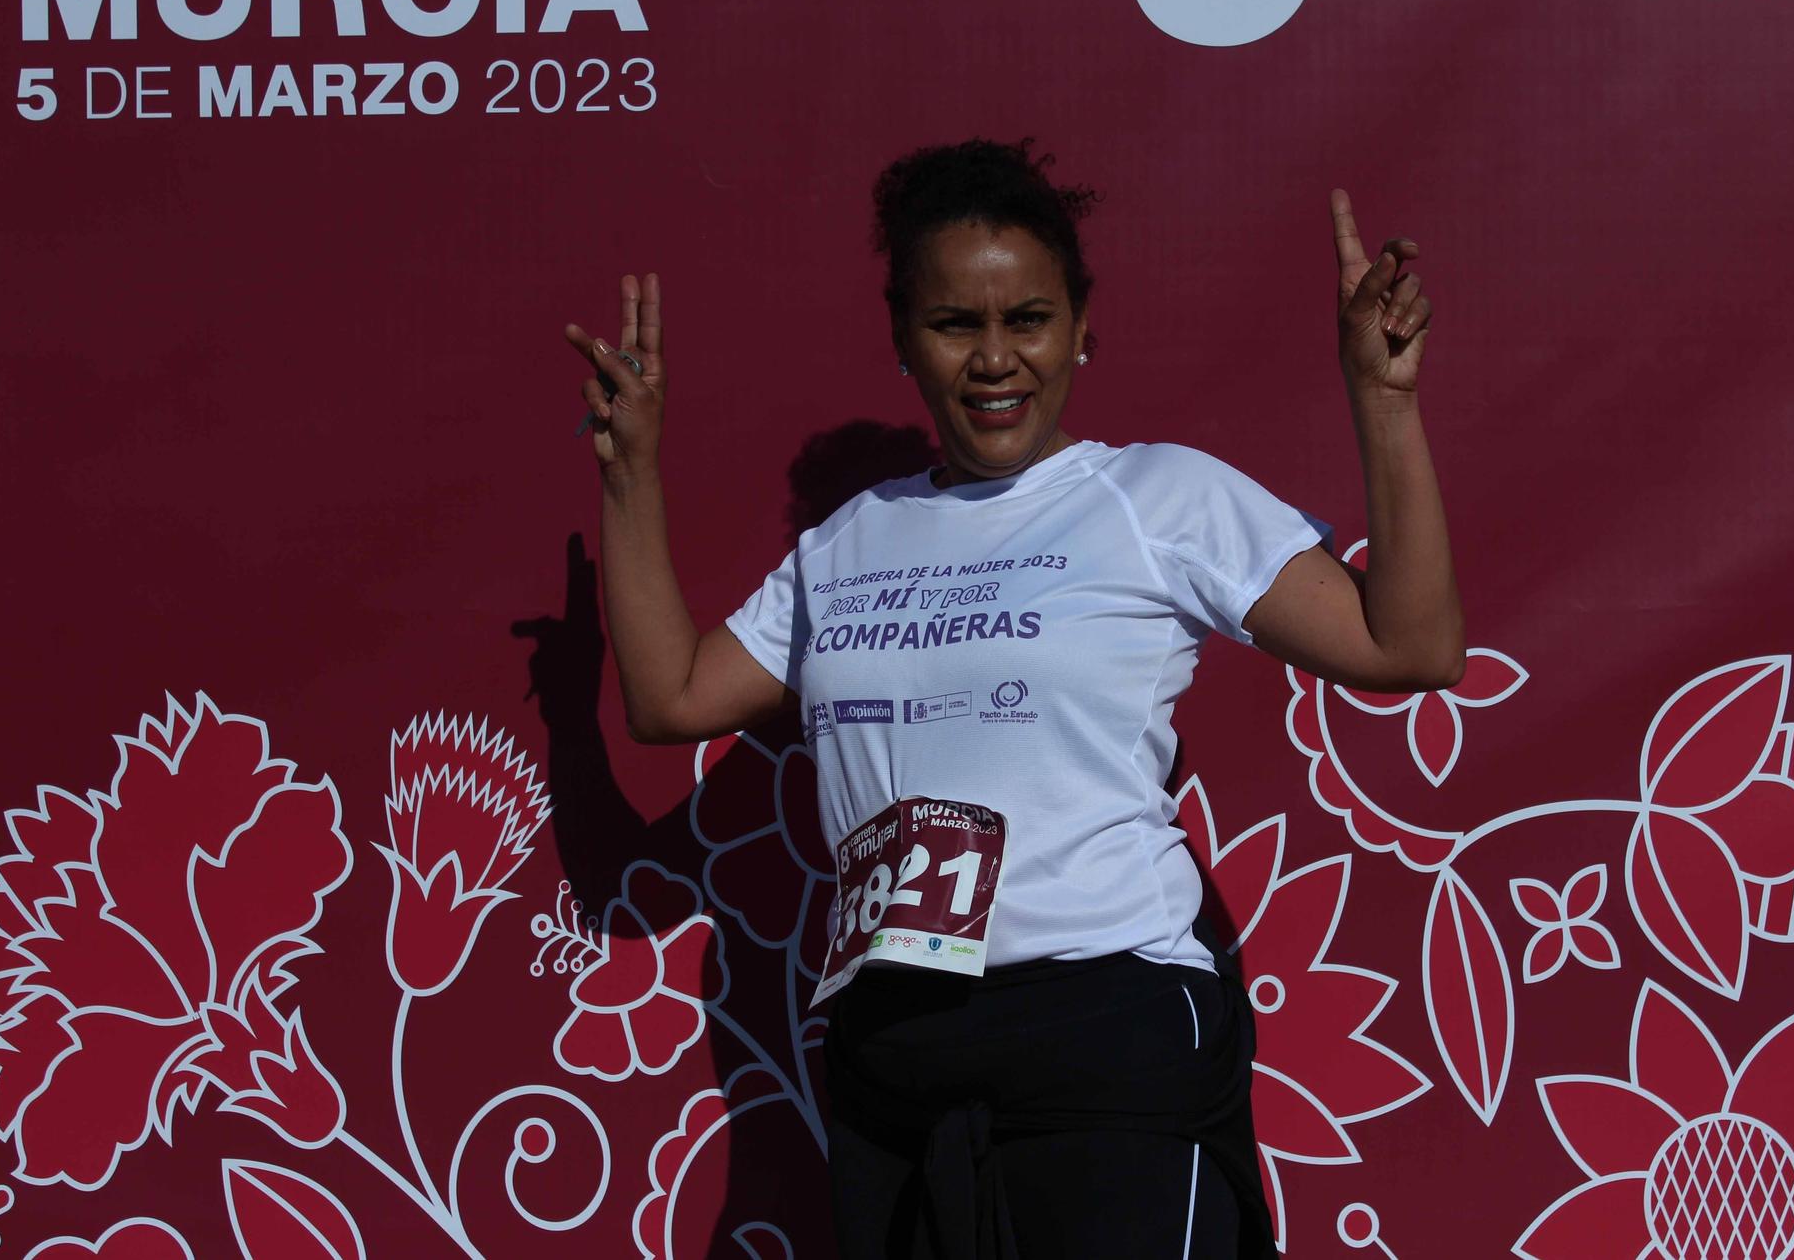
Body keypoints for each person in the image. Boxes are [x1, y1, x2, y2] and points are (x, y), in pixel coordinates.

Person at [563, 137, 1462, 1259]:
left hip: (1108, 1032)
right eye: (955, 325)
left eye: (1027, 319)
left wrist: (1380, 400)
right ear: (902, 338)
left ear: (1082, 325)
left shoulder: (1154, 495)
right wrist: (629, 474)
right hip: (896, 1056)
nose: (995, 360)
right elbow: (672, 695)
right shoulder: (848, 540)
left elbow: (1407, 645)